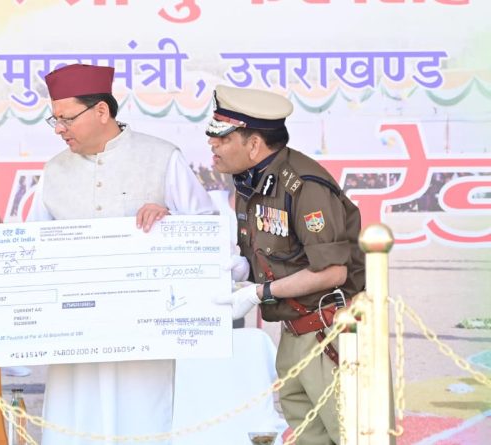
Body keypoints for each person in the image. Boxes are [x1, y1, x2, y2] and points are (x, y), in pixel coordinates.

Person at [25, 63, 222, 445]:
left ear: (102, 111)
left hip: (144, 337)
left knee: (142, 424)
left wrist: (171, 222)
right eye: (55, 120)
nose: (59, 129)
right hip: (74, 339)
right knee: (74, 426)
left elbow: (207, 235)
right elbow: (32, 246)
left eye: (66, 118)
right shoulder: (53, 171)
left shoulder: (161, 157)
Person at [206, 85, 366, 445]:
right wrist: (246, 270)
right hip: (295, 332)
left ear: (253, 144)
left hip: (332, 332)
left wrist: (259, 293)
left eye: (223, 138)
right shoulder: (252, 182)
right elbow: (277, 254)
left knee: (354, 435)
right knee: (310, 438)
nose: (212, 145)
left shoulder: (304, 186)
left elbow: (333, 271)